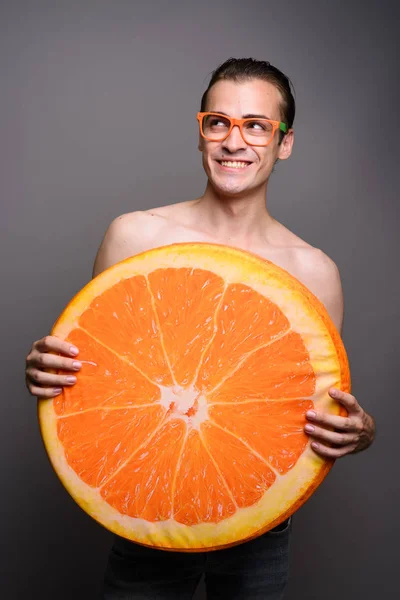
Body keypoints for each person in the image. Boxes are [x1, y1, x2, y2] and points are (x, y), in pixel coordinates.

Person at [25, 58, 376, 599]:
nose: (234, 141)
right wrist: (50, 372)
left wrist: (358, 432)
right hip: (149, 514)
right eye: (219, 122)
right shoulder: (134, 238)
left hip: (258, 528)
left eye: (256, 125)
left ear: (284, 143)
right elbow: (100, 380)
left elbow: (315, 410)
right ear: (201, 133)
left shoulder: (313, 272)